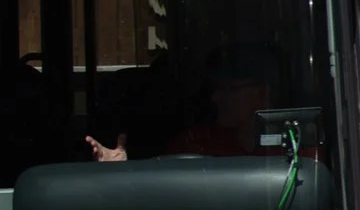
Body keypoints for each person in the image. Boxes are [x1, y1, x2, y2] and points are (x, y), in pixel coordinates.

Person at [88, 42, 283, 161]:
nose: (216, 98)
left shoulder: (296, 145)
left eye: (229, 89)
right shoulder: (194, 145)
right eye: (215, 89)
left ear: (262, 92)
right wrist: (123, 172)